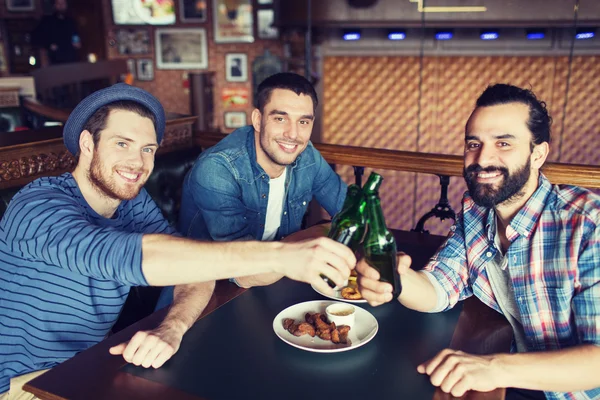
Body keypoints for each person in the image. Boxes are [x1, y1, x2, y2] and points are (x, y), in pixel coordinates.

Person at [0, 83, 355, 399]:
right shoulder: (37, 206)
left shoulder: (130, 202)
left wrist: (173, 327)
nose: (137, 162)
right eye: (121, 143)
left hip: (92, 365)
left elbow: (193, 266)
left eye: (147, 149)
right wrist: (280, 256)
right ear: (87, 144)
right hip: (21, 384)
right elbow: (136, 257)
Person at [357, 84, 600, 400]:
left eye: (503, 143)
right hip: (508, 376)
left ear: (538, 153)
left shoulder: (588, 224)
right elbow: (439, 287)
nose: (483, 158)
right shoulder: (475, 210)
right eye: (474, 143)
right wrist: (396, 278)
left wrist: (494, 368)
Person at [154, 72, 347, 308]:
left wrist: (321, 235)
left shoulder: (307, 156)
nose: (293, 134)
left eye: (303, 121)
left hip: (273, 286)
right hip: (203, 298)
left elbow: (350, 213)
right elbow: (243, 273)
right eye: (280, 119)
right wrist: (318, 234)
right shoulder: (218, 168)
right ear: (257, 119)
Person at [32, 0, 81, 66]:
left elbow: (76, 36)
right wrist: (49, 45)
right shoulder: (47, 21)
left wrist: (78, 43)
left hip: (71, 59)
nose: (61, 6)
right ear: (54, 5)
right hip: (55, 60)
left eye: (63, 3)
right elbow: (36, 38)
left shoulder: (71, 21)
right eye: (58, 3)